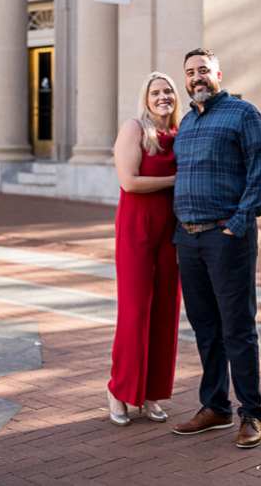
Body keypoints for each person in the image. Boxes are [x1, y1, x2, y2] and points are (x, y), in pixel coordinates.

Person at [170, 49, 261, 449]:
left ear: (217, 73)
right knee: (206, 329)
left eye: (203, 71)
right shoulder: (187, 121)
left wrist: (237, 224)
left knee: (237, 328)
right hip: (188, 239)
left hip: (226, 236)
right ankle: (215, 407)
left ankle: (251, 412)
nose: (197, 78)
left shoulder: (243, 114)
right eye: (190, 72)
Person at [107, 72, 183, 426]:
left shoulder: (180, 134)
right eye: (156, 92)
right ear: (146, 98)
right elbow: (130, 181)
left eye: (168, 91)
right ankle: (119, 390)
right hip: (137, 229)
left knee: (166, 312)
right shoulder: (135, 129)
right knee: (136, 311)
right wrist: (177, 179)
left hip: (172, 231)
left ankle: (150, 394)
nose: (163, 96)